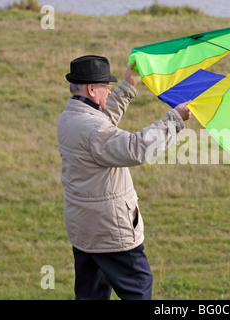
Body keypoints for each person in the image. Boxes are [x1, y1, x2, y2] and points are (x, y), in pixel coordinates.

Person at [57, 55, 191, 300]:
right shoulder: (93, 129)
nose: (109, 93)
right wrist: (174, 120)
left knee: (91, 295)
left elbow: (101, 123)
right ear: (91, 89)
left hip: (85, 230)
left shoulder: (69, 117)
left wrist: (128, 86)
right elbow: (136, 148)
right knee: (138, 289)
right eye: (106, 88)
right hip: (111, 232)